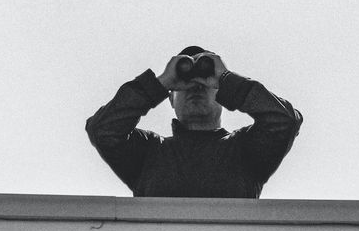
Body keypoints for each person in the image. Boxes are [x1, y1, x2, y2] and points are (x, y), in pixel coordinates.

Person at [87, 46, 302, 198]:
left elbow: (284, 121)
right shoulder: (149, 152)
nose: (195, 87)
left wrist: (226, 79)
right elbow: (103, 130)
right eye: (185, 84)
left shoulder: (244, 149)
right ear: (170, 98)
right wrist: (160, 83)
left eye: (205, 83)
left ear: (221, 93)